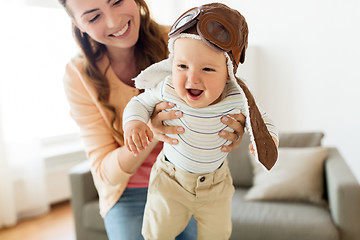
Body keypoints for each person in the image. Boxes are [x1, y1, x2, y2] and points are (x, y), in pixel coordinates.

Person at [58, 0, 246, 239]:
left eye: (116, 1)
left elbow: (228, 87)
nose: (114, 21)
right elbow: (106, 173)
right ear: (78, 24)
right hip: (128, 193)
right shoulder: (78, 75)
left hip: (192, 182)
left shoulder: (180, 40)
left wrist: (234, 124)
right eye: (94, 17)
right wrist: (148, 131)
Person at [122, 3, 279, 239]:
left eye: (207, 69)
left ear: (228, 74)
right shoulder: (167, 88)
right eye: (182, 66)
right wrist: (135, 123)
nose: (192, 78)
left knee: (218, 234)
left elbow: (262, 121)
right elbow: (139, 103)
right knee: (156, 233)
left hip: (215, 186)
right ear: (171, 65)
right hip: (170, 180)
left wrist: (269, 141)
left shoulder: (236, 97)